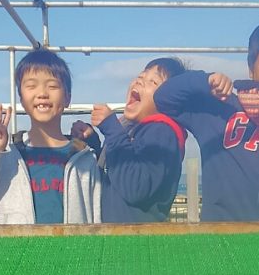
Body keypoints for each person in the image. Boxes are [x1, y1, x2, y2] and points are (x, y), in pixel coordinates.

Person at [154, 15, 259, 222]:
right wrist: (204, 80)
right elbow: (164, 98)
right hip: (217, 240)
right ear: (251, 68)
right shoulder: (219, 109)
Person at [0, 48, 101, 224]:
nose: (42, 93)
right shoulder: (7, 155)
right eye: (31, 86)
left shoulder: (84, 157)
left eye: (52, 86)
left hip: (73, 251)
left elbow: (96, 219)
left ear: (67, 98)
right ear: (21, 99)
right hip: (18, 251)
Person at [72, 57, 187, 223]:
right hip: (115, 237)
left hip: (135, 241)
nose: (140, 82)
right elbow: (114, 173)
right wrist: (93, 142)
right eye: (140, 77)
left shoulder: (162, 133)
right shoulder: (131, 131)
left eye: (153, 82)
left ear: (170, 101)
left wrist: (112, 129)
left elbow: (135, 186)